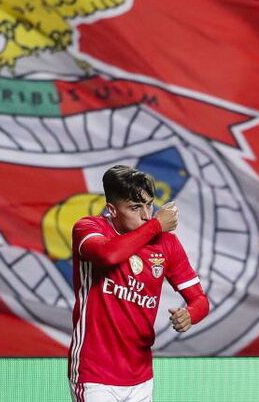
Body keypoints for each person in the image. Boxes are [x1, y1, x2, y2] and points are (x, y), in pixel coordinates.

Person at [68, 165, 208, 402]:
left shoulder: (167, 244)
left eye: (148, 204)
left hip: (141, 376)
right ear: (112, 209)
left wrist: (190, 314)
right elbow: (108, 255)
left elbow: (200, 300)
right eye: (134, 207)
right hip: (94, 374)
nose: (146, 214)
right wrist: (156, 226)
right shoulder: (89, 228)